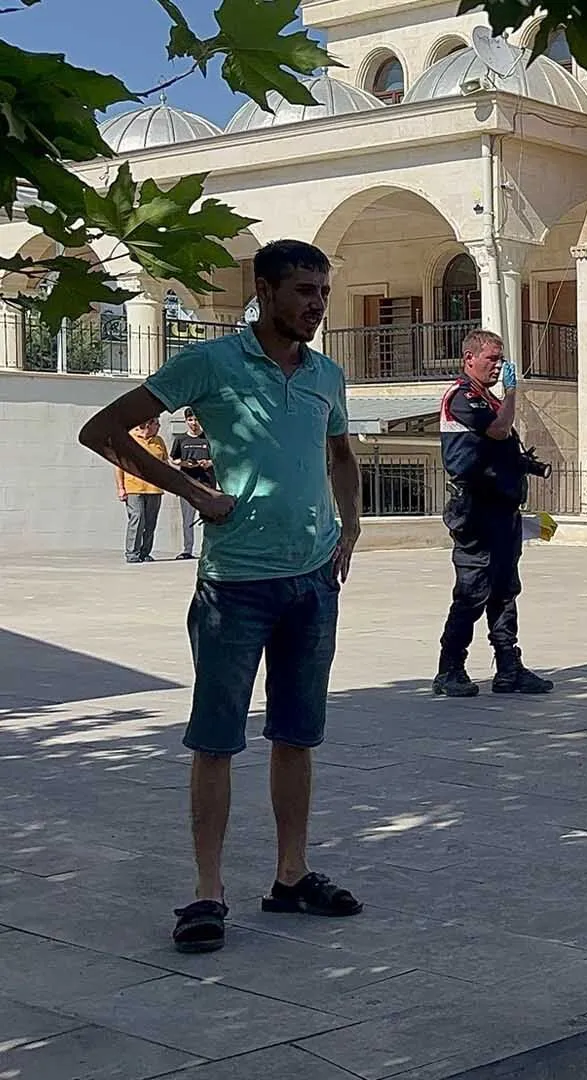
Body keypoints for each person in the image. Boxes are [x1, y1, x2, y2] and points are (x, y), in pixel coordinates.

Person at [76, 238, 365, 954]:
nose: (316, 306)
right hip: (235, 586)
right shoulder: (211, 363)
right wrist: (194, 491)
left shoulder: (326, 373)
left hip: (310, 582)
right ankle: (207, 892)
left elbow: (339, 453)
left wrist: (350, 528)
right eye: (302, 291)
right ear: (264, 292)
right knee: (216, 739)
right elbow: (102, 428)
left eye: (322, 293)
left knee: (298, 735)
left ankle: (291, 877)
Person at [433, 329, 553, 697]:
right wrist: (513, 393)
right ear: (469, 358)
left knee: (504, 590)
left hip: (502, 512)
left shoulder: (485, 397)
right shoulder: (463, 396)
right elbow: (499, 431)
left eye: (500, 359)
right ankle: (450, 669)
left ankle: (508, 668)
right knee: (472, 592)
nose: (498, 365)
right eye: (491, 359)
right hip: (476, 512)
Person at [116, 418, 168, 563]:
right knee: (137, 518)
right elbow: (119, 465)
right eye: (156, 424)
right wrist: (121, 488)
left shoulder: (159, 441)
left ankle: (145, 553)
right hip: (134, 487)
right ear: (148, 424)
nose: (159, 427)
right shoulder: (129, 439)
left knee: (150, 523)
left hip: (154, 488)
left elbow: (165, 463)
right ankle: (132, 553)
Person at [169, 408, 216, 560]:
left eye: (196, 419)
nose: (193, 423)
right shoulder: (181, 440)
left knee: (208, 519)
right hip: (187, 484)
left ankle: (208, 550)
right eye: (190, 420)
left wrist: (208, 463)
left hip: (206, 484)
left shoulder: (208, 438)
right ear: (186, 421)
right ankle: (187, 549)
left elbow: (219, 457)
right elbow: (173, 459)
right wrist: (184, 463)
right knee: (187, 519)